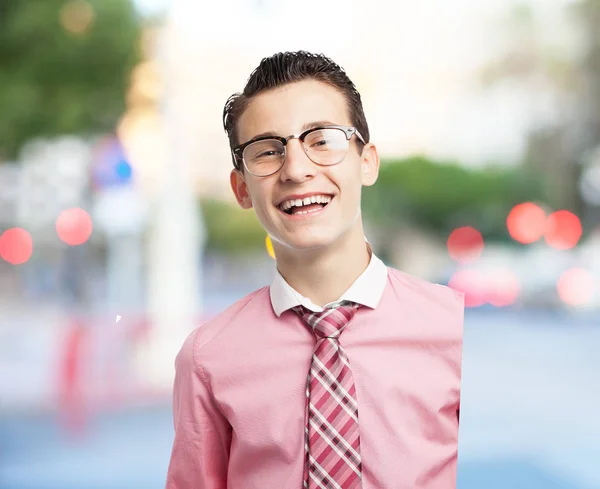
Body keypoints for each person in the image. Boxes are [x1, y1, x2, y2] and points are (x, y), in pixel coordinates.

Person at [165, 51, 464, 489]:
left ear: (367, 161)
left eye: (322, 140)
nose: (297, 170)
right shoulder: (207, 358)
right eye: (267, 151)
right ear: (242, 188)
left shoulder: (454, 328)